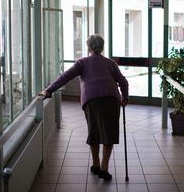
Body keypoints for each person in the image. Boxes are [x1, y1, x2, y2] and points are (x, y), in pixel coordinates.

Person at [39, 34, 129, 181]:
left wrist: (49, 90)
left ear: (88, 47)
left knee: (94, 131)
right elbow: (123, 82)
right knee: (109, 132)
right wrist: (125, 97)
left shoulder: (82, 62)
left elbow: (65, 77)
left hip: (92, 100)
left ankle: (95, 165)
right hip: (112, 100)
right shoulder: (110, 63)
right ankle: (104, 169)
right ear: (102, 47)